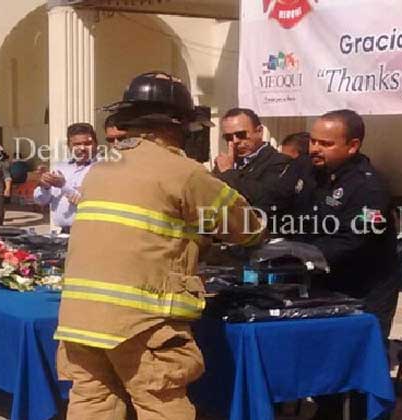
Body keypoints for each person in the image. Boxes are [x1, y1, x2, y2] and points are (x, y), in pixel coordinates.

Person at [54, 72, 264, 420]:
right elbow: (247, 228)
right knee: (161, 405)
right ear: (178, 125)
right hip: (141, 322)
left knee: (92, 405)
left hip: (78, 318)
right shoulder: (185, 172)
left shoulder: (101, 171)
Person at [295, 109, 398, 339]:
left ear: (352, 146)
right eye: (313, 141)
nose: (315, 148)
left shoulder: (370, 188)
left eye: (325, 143)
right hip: (321, 282)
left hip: (363, 289)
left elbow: (354, 239)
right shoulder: (308, 170)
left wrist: (300, 255)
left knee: (361, 355)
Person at [213, 108, 296, 213]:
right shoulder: (226, 163)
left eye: (241, 135)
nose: (235, 141)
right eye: (228, 137)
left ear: (259, 131)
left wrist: (229, 173)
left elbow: (264, 198)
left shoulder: (279, 162)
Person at [33, 123, 98, 234]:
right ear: (69, 145)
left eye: (87, 144)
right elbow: (41, 201)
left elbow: (91, 203)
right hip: (63, 232)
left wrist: (63, 186)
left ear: (96, 143)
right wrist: (45, 186)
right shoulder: (60, 167)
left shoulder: (103, 168)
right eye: (77, 144)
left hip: (90, 233)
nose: (82, 148)